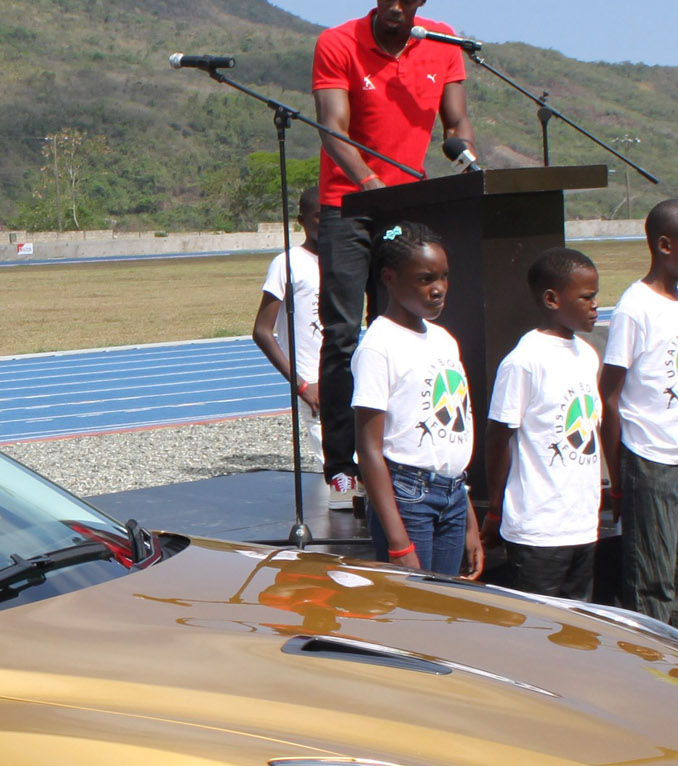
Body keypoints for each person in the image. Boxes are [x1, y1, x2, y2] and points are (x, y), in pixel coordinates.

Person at [311, 0, 478, 496]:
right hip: (349, 205)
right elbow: (332, 127)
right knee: (343, 336)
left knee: (402, 330)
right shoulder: (337, 43)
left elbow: (456, 122)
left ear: (422, 3)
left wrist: (464, 152)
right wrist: (368, 181)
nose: (396, 8)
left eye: (408, 0)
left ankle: (400, 452)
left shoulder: (445, 42)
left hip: (409, 207)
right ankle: (341, 461)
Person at [601, 199, 678, 633]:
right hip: (651, 461)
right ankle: (654, 668)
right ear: (665, 246)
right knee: (652, 577)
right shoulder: (635, 308)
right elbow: (609, 394)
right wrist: (616, 478)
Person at [350, 223, 480, 578]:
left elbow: (448, 433)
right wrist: (398, 541)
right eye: (425, 279)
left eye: (444, 277)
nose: (439, 289)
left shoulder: (444, 340)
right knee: (411, 615)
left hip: (452, 494)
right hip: (409, 500)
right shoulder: (379, 346)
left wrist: (468, 518)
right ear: (390, 278)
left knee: (445, 608)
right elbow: (369, 449)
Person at [482, 247, 605, 599]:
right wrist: (496, 508)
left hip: (582, 526)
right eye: (586, 297)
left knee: (580, 630)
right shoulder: (524, 361)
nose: (595, 305)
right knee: (540, 632)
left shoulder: (587, 355)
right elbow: (498, 438)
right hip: (539, 530)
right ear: (552, 299)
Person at [250, 192, 328, 489]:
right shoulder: (287, 263)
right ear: (302, 221)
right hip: (313, 386)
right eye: (319, 216)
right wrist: (301, 384)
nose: (326, 223)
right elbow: (262, 331)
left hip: (346, 378)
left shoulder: (344, 262)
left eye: (331, 215)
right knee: (337, 476)